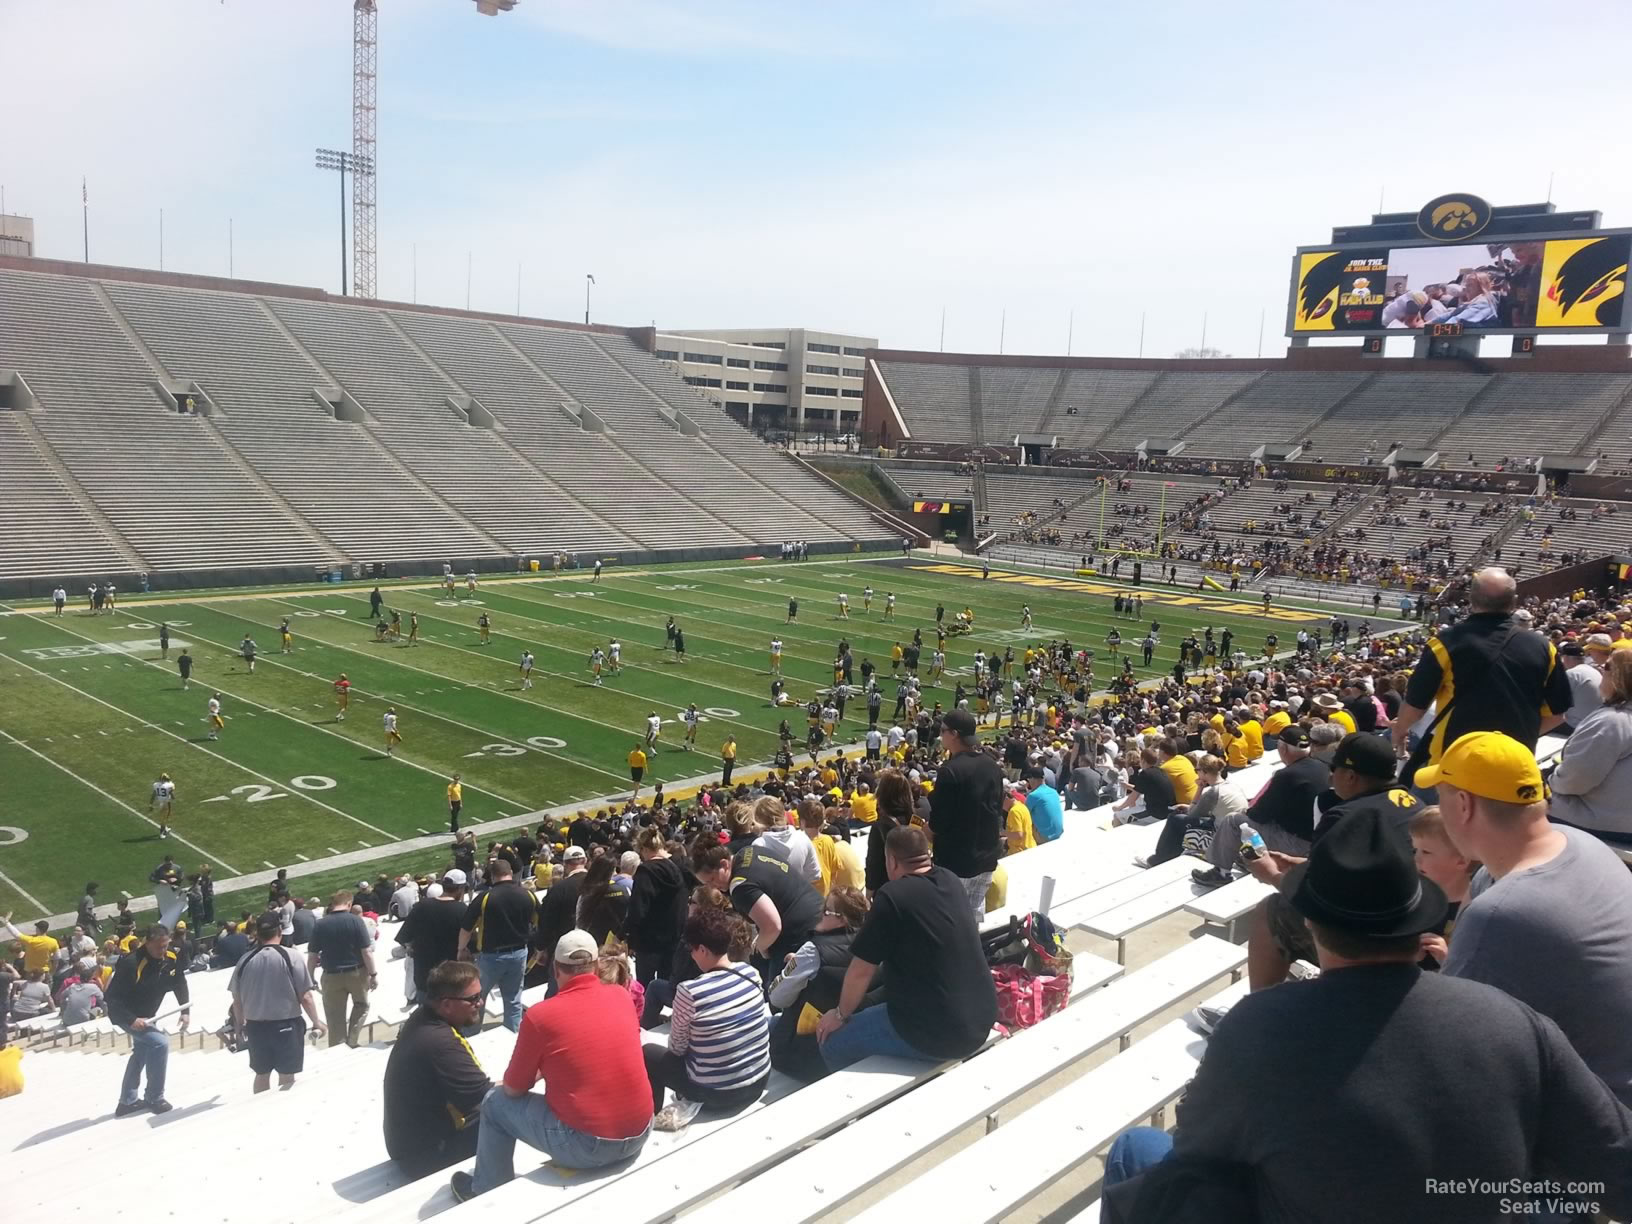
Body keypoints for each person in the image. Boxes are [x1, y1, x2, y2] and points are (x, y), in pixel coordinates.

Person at [1102, 807, 1632, 1223]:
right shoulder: (1514, 1020)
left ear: (1310, 925)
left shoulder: (1260, 1027)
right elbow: (1617, 1165)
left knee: (1137, 1152)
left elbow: (1198, 1151)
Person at [1424, 731, 1632, 1106]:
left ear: (1463, 804)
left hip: (1596, 1126)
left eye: (1439, 796)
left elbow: (1451, 1052)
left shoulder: (1504, 915)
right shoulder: (1582, 843)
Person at [454, 932, 652, 1200]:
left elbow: (512, 1090)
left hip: (589, 1147)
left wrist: (539, 1071)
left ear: (556, 969)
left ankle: (486, 1190)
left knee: (494, 1102)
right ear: (595, 967)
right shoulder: (620, 994)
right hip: (640, 1133)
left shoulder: (541, 1016)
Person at [1239, 734, 1422, 991]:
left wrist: (1271, 875)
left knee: (1271, 910)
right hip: (1412, 927)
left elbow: (1317, 899)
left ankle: (1259, 1014)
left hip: (1369, 938)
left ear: (1350, 776)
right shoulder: (1415, 805)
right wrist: (1303, 864)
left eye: (1334, 768)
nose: (1329, 775)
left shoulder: (1344, 816)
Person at [817, 826, 997, 1070]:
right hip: (982, 1017)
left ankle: (867, 1104)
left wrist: (838, 1015)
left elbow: (861, 971)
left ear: (891, 860)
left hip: (940, 1034)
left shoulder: (892, 896)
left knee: (832, 1042)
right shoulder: (951, 880)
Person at [1392, 567, 1571, 785]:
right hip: (1513, 764)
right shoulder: (1544, 647)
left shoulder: (1445, 642)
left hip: (1454, 762)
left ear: (1471, 599)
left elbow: (1415, 707)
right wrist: (1515, 740)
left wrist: (1399, 732)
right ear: (1513, 602)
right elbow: (1557, 715)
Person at [645, 906, 770, 1122]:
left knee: (647, 1053)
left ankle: (652, 1116)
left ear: (702, 949)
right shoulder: (752, 974)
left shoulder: (690, 991)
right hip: (759, 1082)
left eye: (691, 949)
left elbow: (677, 1048)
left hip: (717, 1094)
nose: (691, 955)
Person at [383, 960, 493, 1178]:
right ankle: (485, 1187)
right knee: (513, 1112)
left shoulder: (422, 1017)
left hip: (406, 1147)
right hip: (428, 1156)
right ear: (446, 1005)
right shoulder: (441, 1042)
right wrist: (536, 1072)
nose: (480, 1003)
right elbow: (487, 1097)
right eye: (473, 999)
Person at [769, 887, 876, 1081]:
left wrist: (795, 966)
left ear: (842, 919)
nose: (820, 915)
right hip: (851, 1043)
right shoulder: (873, 943)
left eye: (826, 911)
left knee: (766, 1024)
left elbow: (778, 998)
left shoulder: (813, 951)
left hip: (802, 1050)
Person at [692, 826, 822, 978]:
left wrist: (759, 948)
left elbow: (773, 926)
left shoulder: (740, 887)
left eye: (712, 880)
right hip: (817, 909)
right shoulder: (750, 851)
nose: (713, 887)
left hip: (798, 932)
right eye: (706, 884)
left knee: (778, 994)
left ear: (724, 864)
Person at [1203, 725, 1328, 879]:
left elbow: (1259, 815)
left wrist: (1247, 812)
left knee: (1233, 821)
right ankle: (1247, 859)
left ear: (1283, 750)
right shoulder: (1323, 767)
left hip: (1298, 844)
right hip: (1320, 840)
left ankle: (1220, 873)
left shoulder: (1287, 775)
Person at [229, 914, 324, 1093]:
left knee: (261, 1073)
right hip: (286, 1024)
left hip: (255, 1027)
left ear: (257, 933)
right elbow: (305, 996)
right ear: (280, 931)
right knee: (287, 1075)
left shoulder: (244, 961)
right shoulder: (291, 956)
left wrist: (240, 1025)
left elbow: (237, 999)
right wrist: (316, 1022)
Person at [927, 710, 1005, 922]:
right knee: (972, 915)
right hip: (987, 856)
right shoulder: (991, 766)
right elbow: (997, 808)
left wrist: (923, 829)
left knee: (950, 919)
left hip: (957, 861)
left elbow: (939, 823)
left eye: (943, 731)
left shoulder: (950, 771)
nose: (940, 736)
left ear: (953, 734)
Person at [104, 924, 189, 1116]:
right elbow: (111, 997)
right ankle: (154, 1097)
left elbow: (179, 981)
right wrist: (131, 1019)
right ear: (147, 943)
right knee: (159, 1044)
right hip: (127, 1015)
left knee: (141, 1053)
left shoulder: (170, 957)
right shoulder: (131, 963)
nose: (163, 951)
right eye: (159, 947)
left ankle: (127, 1101)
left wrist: (185, 1010)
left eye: (165, 946)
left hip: (149, 1016)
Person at [1548, 645, 1632, 840]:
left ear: (1622, 677)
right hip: (1619, 815)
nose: (1601, 668)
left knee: (1517, 803)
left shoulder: (1613, 722)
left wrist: (1549, 781)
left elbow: (1573, 782)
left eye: (1609, 666)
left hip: (1609, 821)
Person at [459, 857, 537, 1033]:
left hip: (490, 957)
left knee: (477, 998)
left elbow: (466, 928)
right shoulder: (527, 894)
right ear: (510, 874)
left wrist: (460, 949)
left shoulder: (485, 898)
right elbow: (541, 922)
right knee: (513, 999)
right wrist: (539, 949)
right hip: (519, 954)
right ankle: (513, 1035)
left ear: (493, 877)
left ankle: (472, 1036)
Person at [306, 890, 377, 1048]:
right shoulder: (356, 921)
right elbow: (366, 952)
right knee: (362, 1005)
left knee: (334, 1016)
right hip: (357, 974)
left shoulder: (321, 924)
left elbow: (312, 956)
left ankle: (338, 1047)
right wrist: (373, 974)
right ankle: (351, 1041)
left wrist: (310, 977)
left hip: (331, 976)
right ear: (349, 904)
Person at [625, 826, 689, 985]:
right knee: (666, 984)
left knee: (644, 986)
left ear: (645, 849)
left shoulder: (646, 871)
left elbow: (637, 910)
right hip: (675, 937)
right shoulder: (681, 864)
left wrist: (627, 938)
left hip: (649, 941)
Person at [397, 871, 469, 1002]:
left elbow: (404, 938)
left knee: (427, 1018)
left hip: (424, 975)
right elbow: (470, 945)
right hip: (450, 977)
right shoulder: (462, 910)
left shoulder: (421, 906)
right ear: (460, 888)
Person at [1022, 765, 1064, 843]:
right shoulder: (1053, 791)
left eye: (1028, 779)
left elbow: (1024, 815)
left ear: (1032, 779)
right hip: (1058, 832)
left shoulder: (1033, 796)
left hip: (1045, 836)